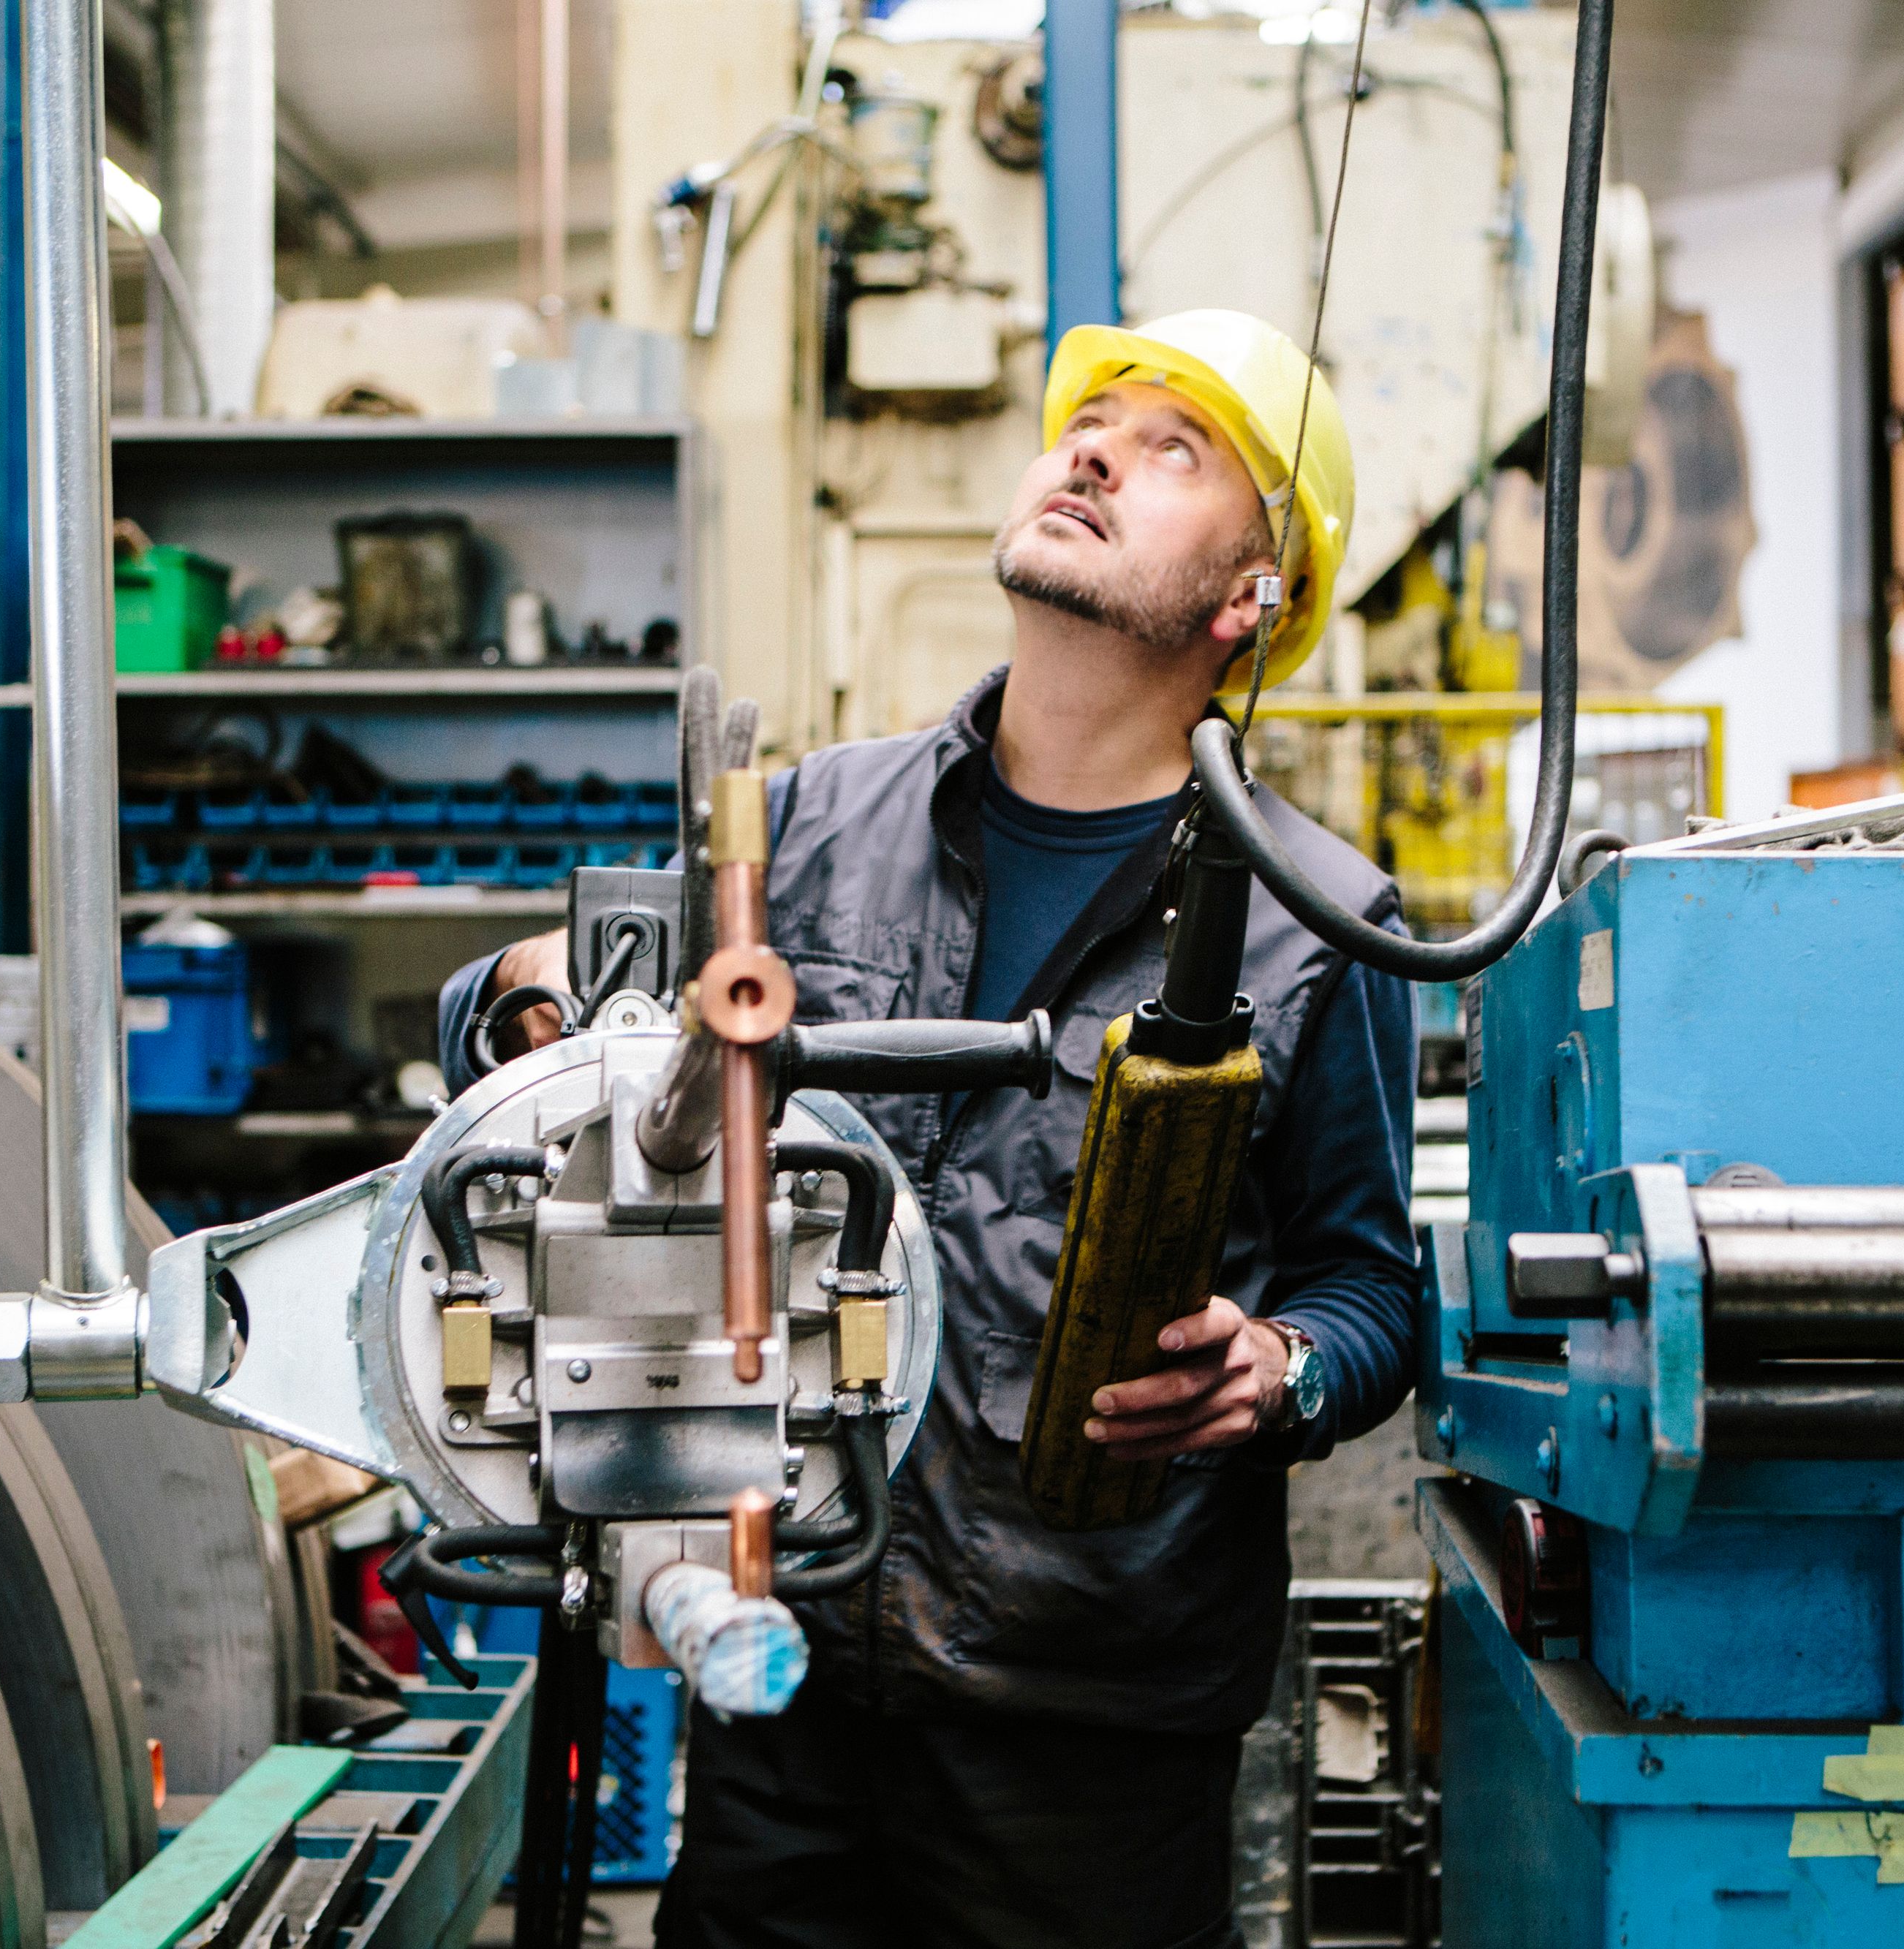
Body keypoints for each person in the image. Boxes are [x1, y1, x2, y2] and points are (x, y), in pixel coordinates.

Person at [435, 310, 1421, 1948]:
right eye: (1088, 424)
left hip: (1093, 1723)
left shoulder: (1315, 921)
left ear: (1248, 603)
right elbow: (544, 1049)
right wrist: (522, 999)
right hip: (786, 1665)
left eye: (1174, 451)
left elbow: (1372, 1291)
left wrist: (1283, 1369)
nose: (1094, 452)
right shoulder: (816, 824)